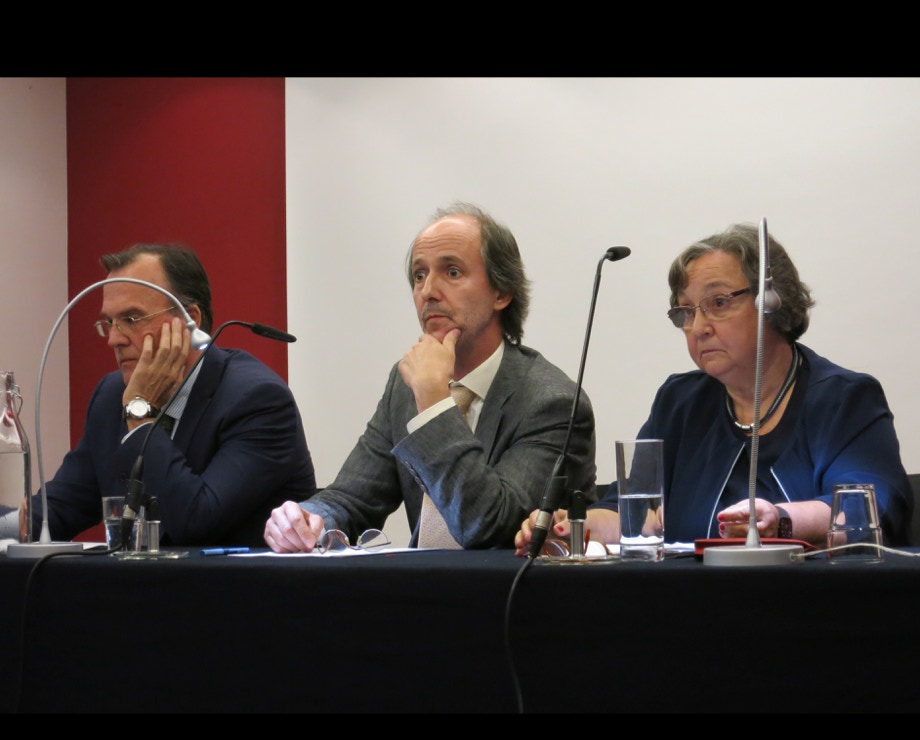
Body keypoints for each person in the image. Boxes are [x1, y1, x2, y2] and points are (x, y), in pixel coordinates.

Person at [516, 222, 913, 555]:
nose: (698, 327)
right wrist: (573, 528)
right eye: (685, 311)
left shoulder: (843, 399)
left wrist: (780, 519)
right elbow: (633, 516)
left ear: (773, 301)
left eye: (718, 302)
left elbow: (868, 508)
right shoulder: (680, 403)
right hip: (691, 606)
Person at [265, 202, 597, 552]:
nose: (428, 291)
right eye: (419, 275)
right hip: (421, 583)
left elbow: (490, 526)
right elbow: (352, 498)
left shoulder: (552, 402)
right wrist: (306, 520)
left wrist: (435, 405)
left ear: (501, 293)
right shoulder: (405, 384)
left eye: (452, 272)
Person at [3, 243, 317, 548]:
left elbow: (195, 521)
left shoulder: (258, 400)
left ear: (189, 320)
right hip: (136, 582)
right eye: (109, 322)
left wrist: (140, 413)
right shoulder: (111, 395)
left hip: (232, 583)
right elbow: (62, 508)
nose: (114, 339)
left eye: (131, 319)